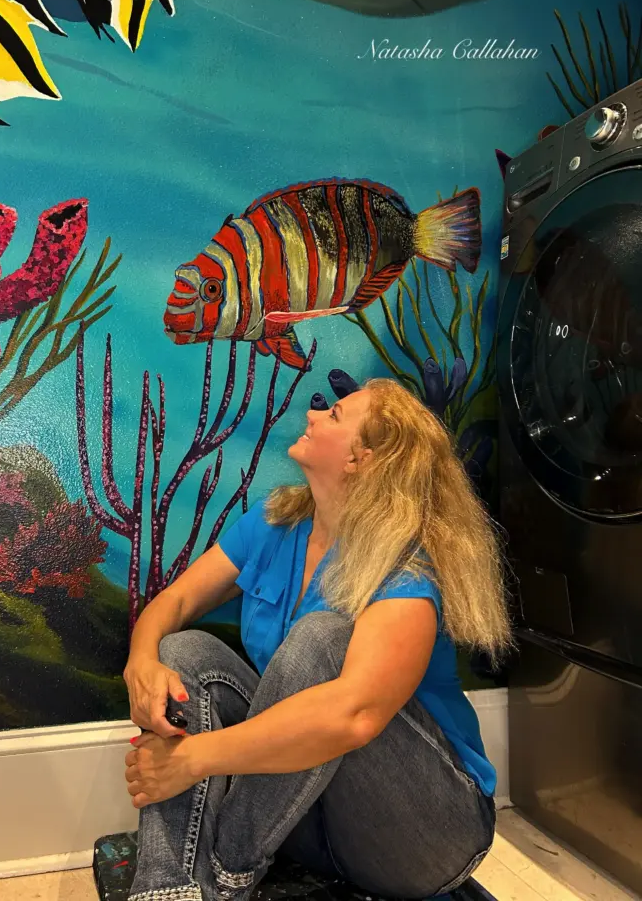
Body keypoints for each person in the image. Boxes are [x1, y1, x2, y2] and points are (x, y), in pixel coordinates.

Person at [123, 378, 511, 901]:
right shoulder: (274, 521)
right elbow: (176, 604)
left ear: (361, 459)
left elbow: (354, 715)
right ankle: (169, 888)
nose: (314, 414)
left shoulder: (404, 568)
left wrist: (192, 759)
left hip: (427, 832)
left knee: (322, 639)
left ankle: (228, 872)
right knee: (183, 653)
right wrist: (140, 661)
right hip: (312, 815)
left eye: (333, 416)